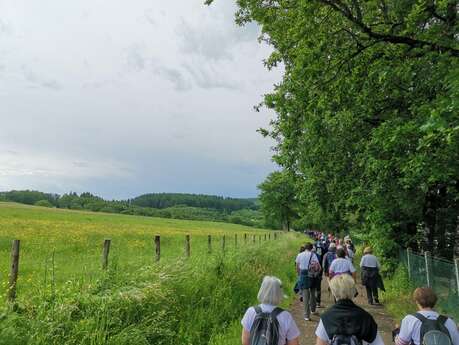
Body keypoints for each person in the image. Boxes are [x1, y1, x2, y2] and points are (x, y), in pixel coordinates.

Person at [315, 274, 385, 345]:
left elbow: (320, 343)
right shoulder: (366, 318)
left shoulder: (326, 318)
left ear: (333, 292)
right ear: (353, 291)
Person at [241, 276, 300, 345]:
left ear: (262, 290)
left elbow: (245, 342)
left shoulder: (251, 312)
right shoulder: (285, 316)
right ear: (279, 294)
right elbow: (294, 343)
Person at [395, 287, 459, 345]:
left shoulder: (410, 319)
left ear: (417, 302)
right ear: (435, 302)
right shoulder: (448, 321)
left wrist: (396, 334)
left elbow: (401, 343)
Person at [296, 243, 321, 321]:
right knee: (313, 293)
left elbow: (297, 265)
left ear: (305, 248)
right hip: (312, 274)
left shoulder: (299, 255)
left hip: (303, 274)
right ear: (311, 248)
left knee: (305, 295)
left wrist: (299, 275)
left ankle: (307, 316)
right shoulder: (313, 255)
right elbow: (318, 266)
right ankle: (313, 310)